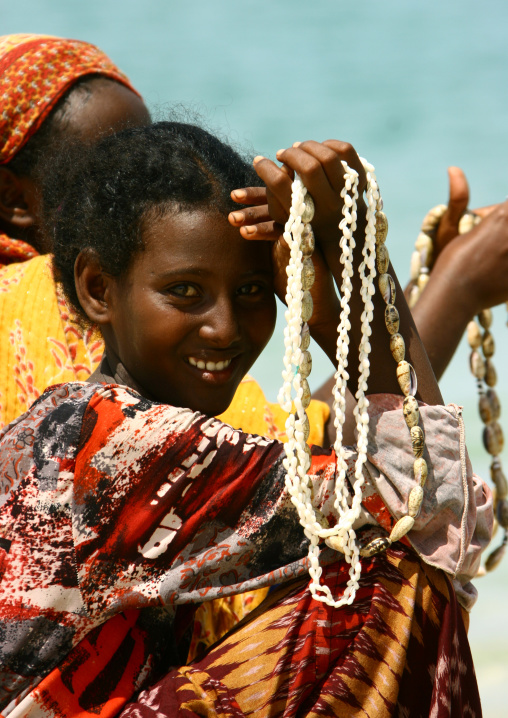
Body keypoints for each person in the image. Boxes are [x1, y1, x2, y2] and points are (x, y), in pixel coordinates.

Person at [0, 121, 491, 718]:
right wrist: (363, 266)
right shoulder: (116, 441)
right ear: (98, 288)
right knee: (386, 585)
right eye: (185, 291)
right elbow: (425, 502)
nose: (225, 327)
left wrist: (334, 298)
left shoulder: (71, 418)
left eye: (255, 290)